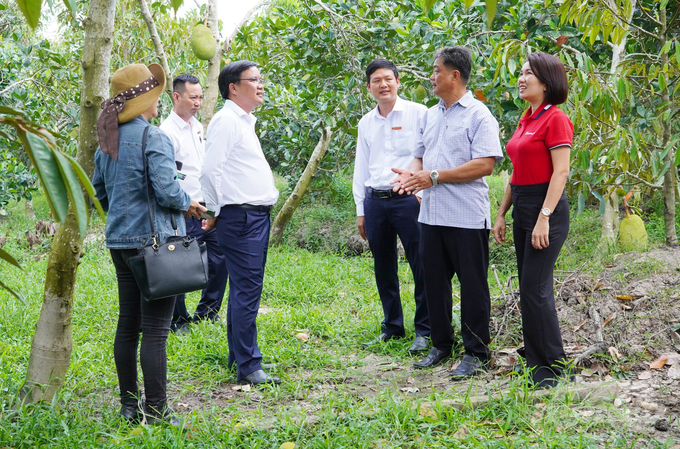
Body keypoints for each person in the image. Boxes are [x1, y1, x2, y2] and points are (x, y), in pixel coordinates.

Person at [92, 63, 205, 425]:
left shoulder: (106, 141)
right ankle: (157, 410)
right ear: (143, 101)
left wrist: (123, 219)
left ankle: (129, 406)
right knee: (155, 331)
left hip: (121, 244)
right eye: (153, 94)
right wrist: (188, 202)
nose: (157, 100)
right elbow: (167, 190)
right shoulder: (152, 137)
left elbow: (100, 193)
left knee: (128, 325)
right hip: (154, 246)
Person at [392, 46, 503, 379]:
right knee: (434, 283)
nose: (432, 76)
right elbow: (420, 156)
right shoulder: (431, 114)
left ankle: (476, 352)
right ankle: (441, 345)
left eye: (437, 70)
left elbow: (485, 164)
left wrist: (433, 177)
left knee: (472, 286)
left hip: (466, 217)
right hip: (431, 215)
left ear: (455, 75)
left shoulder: (479, 115)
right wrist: (412, 178)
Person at [491, 52, 573, 389]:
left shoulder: (555, 119)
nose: (522, 79)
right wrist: (501, 213)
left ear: (547, 81)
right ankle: (536, 362)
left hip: (546, 210)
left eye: (529, 74)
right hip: (523, 205)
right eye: (521, 73)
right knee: (529, 290)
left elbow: (561, 172)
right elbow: (516, 173)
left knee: (536, 290)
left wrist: (544, 217)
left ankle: (554, 368)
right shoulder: (526, 118)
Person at [200, 60, 281, 386]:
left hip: (253, 216)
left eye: (262, 79)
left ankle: (239, 356)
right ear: (234, 87)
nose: (261, 85)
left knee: (244, 289)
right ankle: (249, 366)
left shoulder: (243, 121)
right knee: (247, 290)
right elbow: (209, 171)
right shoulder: (227, 121)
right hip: (241, 217)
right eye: (254, 80)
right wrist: (215, 211)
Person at [352, 58, 430, 354]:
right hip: (376, 201)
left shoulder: (418, 113)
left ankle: (425, 329)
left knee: (420, 264)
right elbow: (362, 166)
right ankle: (393, 326)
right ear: (369, 87)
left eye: (388, 79)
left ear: (398, 82)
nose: (383, 85)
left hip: (409, 201)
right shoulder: (366, 122)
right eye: (376, 81)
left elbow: (428, 153)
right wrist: (361, 208)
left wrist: (421, 195)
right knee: (383, 266)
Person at [160, 75, 229, 334]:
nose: (198, 102)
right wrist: (182, 203)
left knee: (219, 258)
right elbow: (168, 177)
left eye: (200, 97)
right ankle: (178, 320)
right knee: (179, 264)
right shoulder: (166, 133)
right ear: (177, 97)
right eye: (193, 97)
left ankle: (208, 312)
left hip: (205, 204)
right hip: (182, 207)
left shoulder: (197, 126)